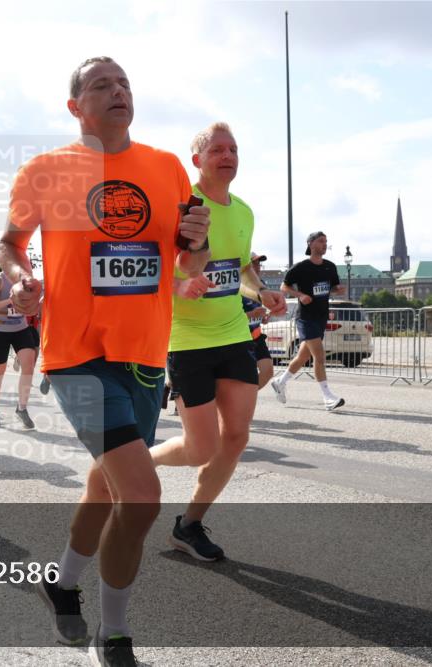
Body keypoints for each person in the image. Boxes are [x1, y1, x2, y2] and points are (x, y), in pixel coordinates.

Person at [0, 56, 211, 665]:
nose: (117, 92)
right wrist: (20, 278)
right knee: (140, 497)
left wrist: (198, 240)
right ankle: (112, 632)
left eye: (124, 84)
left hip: (144, 357)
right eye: (101, 85)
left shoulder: (166, 168)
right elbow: (9, 244)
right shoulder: (45, 170)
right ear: (75, 106)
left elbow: (189, 263)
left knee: (105, 485)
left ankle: (60, 584)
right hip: (76, 354)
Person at [150, 122, 286, 563]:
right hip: (186, 341)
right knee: (200, 448)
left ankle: (189, 524)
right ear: (198, 160)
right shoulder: (181, 206)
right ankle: (136, 463)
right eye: (216, 150)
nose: (227, 156)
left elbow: (242, 271)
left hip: (232, 336)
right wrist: (179, 286)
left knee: (237, 437)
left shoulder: (244, 211)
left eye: (233, 149)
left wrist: (260, 291)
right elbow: (150, 269)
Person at [269, 231, 347, 410]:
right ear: (311, 244)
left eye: (326, 241)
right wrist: (300, 295)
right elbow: (284, 286)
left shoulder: (330, 267)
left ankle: (280, 381)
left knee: (302, 356)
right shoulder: (301, 267)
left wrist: (338, 291)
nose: (324, 244)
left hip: (321, 317)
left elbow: (331, 289)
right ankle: (328, 397)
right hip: (305, 318)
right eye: (321, 241)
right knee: (319, 356)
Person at [0, 265, 39, 429]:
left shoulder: (27, 280)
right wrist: (10, 300)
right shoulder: (0, 280)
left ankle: (22, 408)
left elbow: (32, 305)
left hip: (20, 329)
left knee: (28, 366)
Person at [243, 253, 275, 390]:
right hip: (238, 339)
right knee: (242, 376)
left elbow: (259, 312)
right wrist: (251, 314)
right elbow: (226, 317)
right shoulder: (237, 286)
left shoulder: (262, 285)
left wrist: (264, 317)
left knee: (267, 372)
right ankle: (170, 385)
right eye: (254, 263)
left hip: (256, 337)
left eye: (258, 263)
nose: (257, 267)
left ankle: (243, 398)